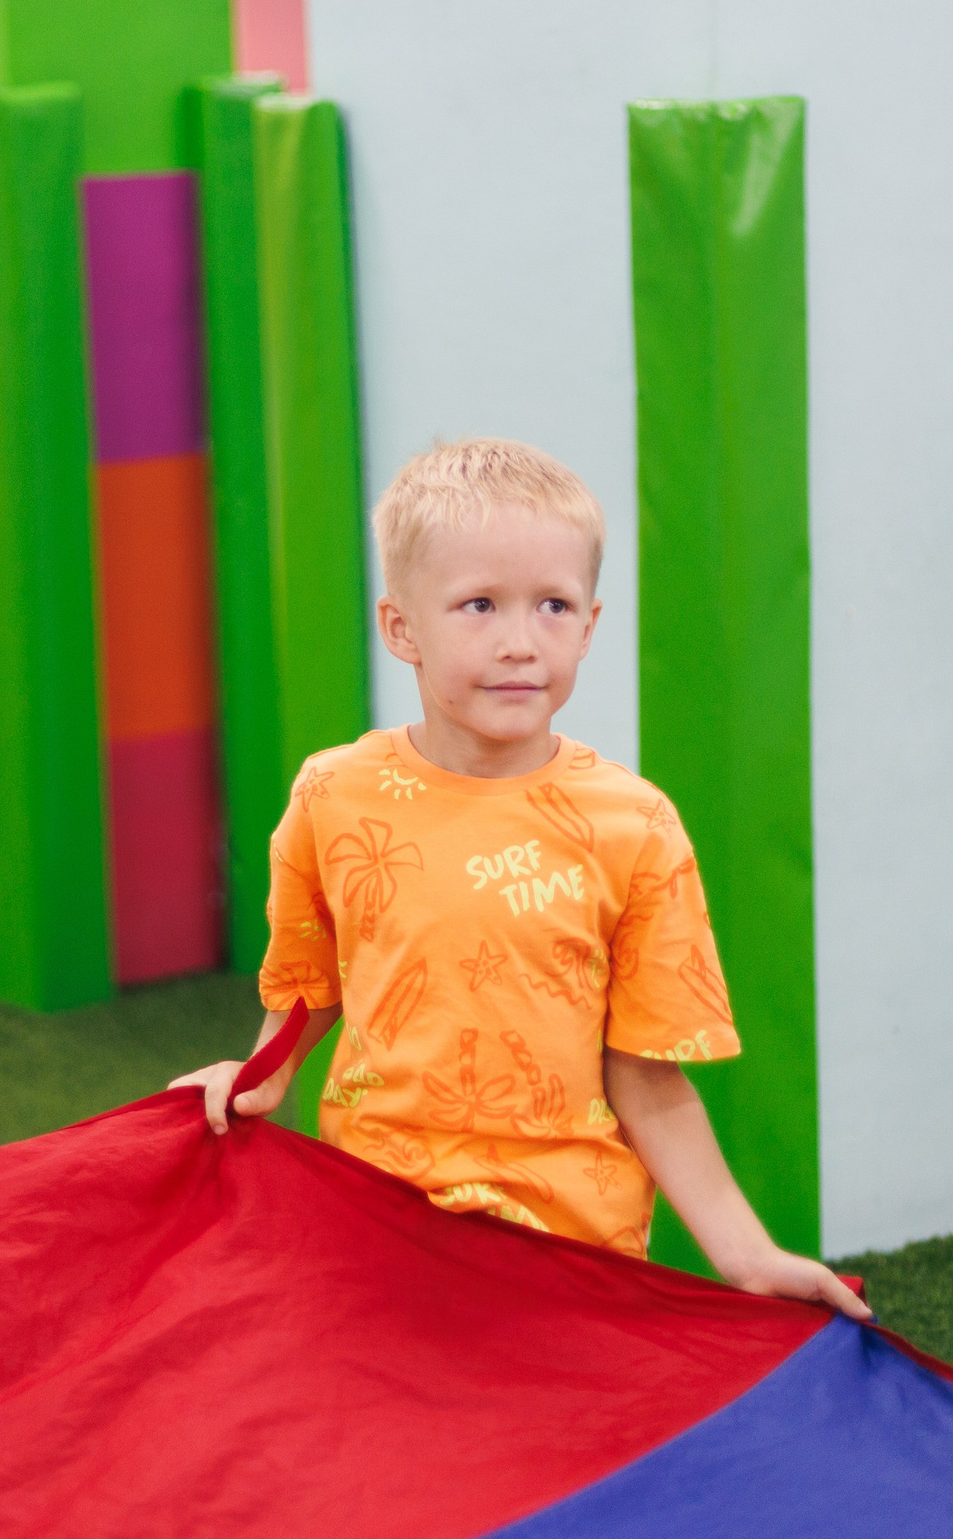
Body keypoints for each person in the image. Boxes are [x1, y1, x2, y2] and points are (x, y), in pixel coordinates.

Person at [172, 438, 864, 1318]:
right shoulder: (332, 795)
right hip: (375, 1231)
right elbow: (312, 982)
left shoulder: (636, 825)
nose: (520, 643)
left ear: (589, 626)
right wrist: (266, 1074)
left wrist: (748, 1254)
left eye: (553, 606)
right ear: (401, 628)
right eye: (479, 605)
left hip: (570, 1252)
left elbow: (647, 1078)